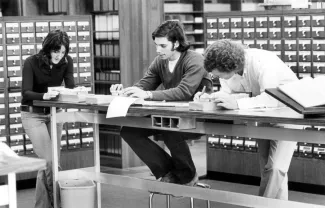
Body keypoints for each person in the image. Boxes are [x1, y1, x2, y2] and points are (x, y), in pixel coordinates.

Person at [110, 20, 213, 186]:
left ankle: (186, 174)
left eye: (163, 46)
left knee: (170, 127)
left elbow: (183, 92)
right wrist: (125, 92)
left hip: (196, 114)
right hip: (170, 113)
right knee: (129, 132)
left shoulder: (195, 60)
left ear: (177, 43)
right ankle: (169, 172)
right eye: (156, 45)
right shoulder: (161, 61)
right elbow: (145, 84)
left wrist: (148, 94)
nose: (158, 50)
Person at [195, 39, 298, 200]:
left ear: (231, 66)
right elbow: (235, 94)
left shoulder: (263, 62)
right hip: (263, 113)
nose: (215, 77)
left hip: (290, 113)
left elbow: (271, 99)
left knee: (276, 168)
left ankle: (261, 205)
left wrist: (235, 102)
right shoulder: (228, 72)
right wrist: (214, 98)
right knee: (268, 168)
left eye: (218, 74)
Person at [21, 29, 75, 208]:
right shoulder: (31, 62)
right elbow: (26, 93)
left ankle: (42, 206)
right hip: (33, 114)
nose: (59, 56)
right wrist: (44, 95)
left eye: (63, 52)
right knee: (49, 162)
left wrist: (73, 94)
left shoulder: (67, 62)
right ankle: (58, 203)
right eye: (56, 51)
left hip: (54, 112)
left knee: (49, 164)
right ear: (47, 49)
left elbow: (70, 87)